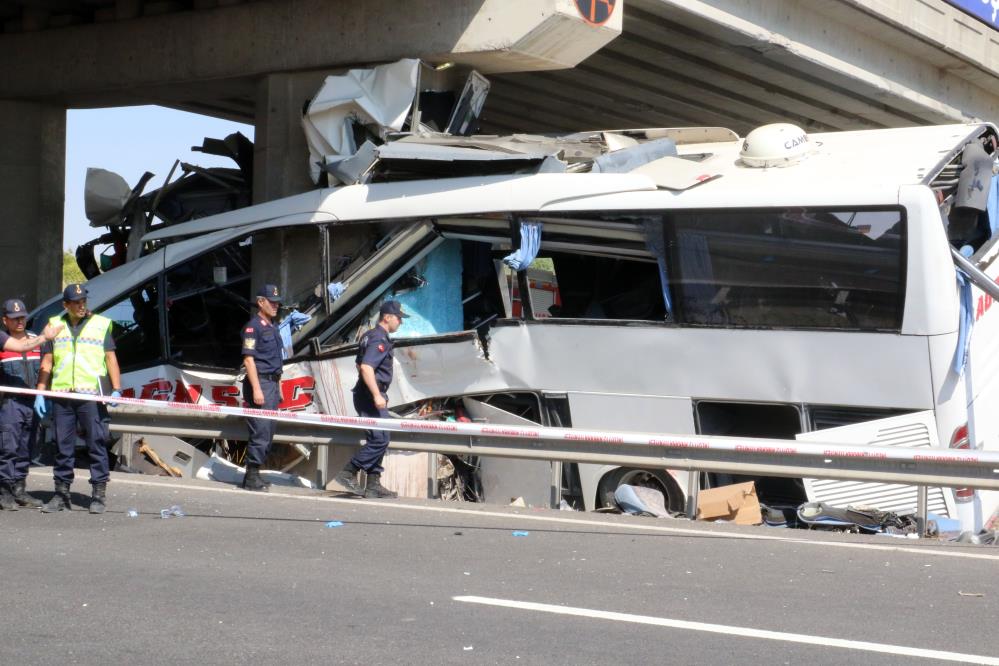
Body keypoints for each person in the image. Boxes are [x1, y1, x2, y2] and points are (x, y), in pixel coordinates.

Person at [35, 283, 122, 514]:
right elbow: (47, 362)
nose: (81, 305)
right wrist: (41, 391)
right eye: (76, 302)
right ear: (66, 305)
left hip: (91, 396)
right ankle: (61, 494)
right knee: (63, 447)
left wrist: (116, 388)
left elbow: (110, 358)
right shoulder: (54, 325)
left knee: (96, 443)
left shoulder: (100, 324)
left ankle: (98, 495)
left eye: (84, 300)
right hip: (62, 395)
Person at [330, 300, 408, 499]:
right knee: (381, 438)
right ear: (387, 317)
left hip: (366, 393)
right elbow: (366, 367)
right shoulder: (379, 339)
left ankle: (373, 484)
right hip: (371, 396)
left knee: (379, 437)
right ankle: (348, 472)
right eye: (399, 318)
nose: (401, 322)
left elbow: (359, 364)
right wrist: (375, 393)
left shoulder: (368, 336)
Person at [0, 299, 63, 510]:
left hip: (32, 402)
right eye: (15, 318)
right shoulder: (3, 340)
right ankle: (4, 491)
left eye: (22, 317)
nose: (20, 321)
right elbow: (19, 347)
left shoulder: (36, 339)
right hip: (10, 403)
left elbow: (46, 365)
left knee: (27, 446)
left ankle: (19, 488)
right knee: (8, 448)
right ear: (5, 320)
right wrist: (46, 336)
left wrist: (41, 394)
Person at [239, 283, 284, 492]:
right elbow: (249, 360)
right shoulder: (253, 327)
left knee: (269, 430)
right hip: (261, 383)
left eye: (277, 303)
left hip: (272, 383)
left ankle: (255, 473)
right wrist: (257, 389)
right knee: (261, 430)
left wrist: (279, 387)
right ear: (260, 302)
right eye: (271, 302)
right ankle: (251, 476)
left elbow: (276, 361)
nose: (275, 306)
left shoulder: (273, 327)